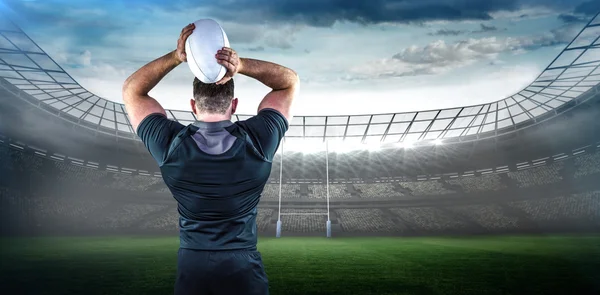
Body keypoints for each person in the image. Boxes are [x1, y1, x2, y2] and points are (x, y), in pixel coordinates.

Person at [122, 23, 299, 295]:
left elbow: (132, 90)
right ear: (235, 104)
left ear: (193, 106)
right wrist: (240, 65)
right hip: (243, 266)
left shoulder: (169, 144)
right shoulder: (259, 140)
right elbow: (289, 82)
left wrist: (176, 57)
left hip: (193, 267)